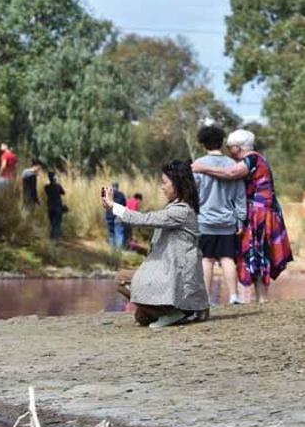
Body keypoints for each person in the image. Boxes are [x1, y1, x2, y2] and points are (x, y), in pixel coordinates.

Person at [102, 160, 209, 328]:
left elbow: (145, 219)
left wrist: (113, 206)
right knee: (142, 317)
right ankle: (179, 310)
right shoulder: (176, 207)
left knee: (121, 279)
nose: (162, 187)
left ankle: (176, 312)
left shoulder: (181, 211)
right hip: (167, 272)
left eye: (164, 182)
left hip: (175, 275)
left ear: (178, 184)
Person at [192, 129, 293, 303]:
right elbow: (237, 190)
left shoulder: (250, 159)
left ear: (238, 147)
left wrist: (201, 168)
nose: (229, 150)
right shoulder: (247, 160)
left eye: (231, 147)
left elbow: (230, 174)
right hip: (250, 215)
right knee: (240, 256)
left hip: (257, 214)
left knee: (214, 257)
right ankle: (245, 297)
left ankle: (259, 298)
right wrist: (239, 218)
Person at [194, 126, 247, 305]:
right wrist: (241, 219)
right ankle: (234, 296)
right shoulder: (233, 165)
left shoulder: (197, 165)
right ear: (222, 142)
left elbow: (193, 194)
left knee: (206, 259)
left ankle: (206, 298)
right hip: (227, 220)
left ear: (203, 144)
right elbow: (240, 195)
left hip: (205, 220)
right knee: (227, 258)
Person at [105, 181, 127, 249]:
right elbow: (125, 205)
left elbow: (105, 204)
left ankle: (111, 251)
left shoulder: (108, 194)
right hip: (118, 216)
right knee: (119, 234)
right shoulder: (121, 195)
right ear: (118, 187)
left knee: (111, 234)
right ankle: (118, 251)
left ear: (112, 186)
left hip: (109, 216)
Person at [45, 171, 65, 240]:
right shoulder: (58, 186)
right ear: (54, 178)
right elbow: (63, 192)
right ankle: (55, 238)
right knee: (57, 223)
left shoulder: (46, 187)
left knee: (52, 222)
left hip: (50, 207)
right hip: (57, 206)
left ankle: (52, 237)